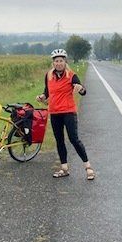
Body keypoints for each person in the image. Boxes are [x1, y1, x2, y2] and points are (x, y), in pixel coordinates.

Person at [36, 48, 95, 180]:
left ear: (65, 61)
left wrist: (80, 88)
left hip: (68, 112)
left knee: (74, 139)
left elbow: (83, 91)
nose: (59, 63)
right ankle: (64, 168)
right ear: (53, 62)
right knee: (59, 141)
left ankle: (88, 167)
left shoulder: (71, 75)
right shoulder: (48, 75)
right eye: (56, 61)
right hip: (54, 112)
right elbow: (47, 92)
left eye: (61, 61)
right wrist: (42, 97)